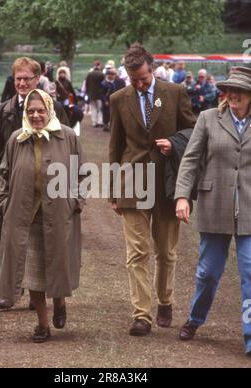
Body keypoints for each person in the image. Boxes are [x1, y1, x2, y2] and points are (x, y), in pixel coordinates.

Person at [109, 43, 196, 336]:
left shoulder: (175, 93)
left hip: (167, 184)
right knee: (136, 253)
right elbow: (115, 147)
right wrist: (113, 191)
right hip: (132, 184)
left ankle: (165, 300)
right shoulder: (119, 98)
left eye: (143, 78)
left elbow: (194, 132)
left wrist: (174, 142)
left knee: (166, 252)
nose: (139, 83)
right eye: (133, 80)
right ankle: (141, 315)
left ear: (153, 68)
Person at [0, 89, 85, 342]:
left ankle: (59, 302)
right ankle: (42, 324)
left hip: (58, 215)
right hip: (24, 218)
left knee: (57, 263)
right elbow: (3, 173)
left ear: (50, 111)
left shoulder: (67, 137)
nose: (36, 115)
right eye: (31, 111)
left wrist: (75, 202)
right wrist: (3, 203)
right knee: (32, 273)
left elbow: (84, 172)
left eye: (41, 110)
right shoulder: (17, 138)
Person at [175, 66, 251, 356]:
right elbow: (190, 160)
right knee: (208, 273)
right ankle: (194, 319)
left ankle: (250, 336)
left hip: (249, 208)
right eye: (229, 89)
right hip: (214, 204)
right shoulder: (208, 118)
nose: (232, 94)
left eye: (240, 90)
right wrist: (182, 196)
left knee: (250, 273)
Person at [0, 57, 70, 310]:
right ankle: (13, 289)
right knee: (11, 240)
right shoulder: (4, 111)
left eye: (27, 78)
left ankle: (39, 290)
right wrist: (1, 197)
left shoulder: (54, 107)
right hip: (15, 191)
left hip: (48, 188)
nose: (22, 83)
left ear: (38, 79)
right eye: (18, 79)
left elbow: (67, 148)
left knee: (42, 242)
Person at [85, 61, 105, 128]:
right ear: (99, 66)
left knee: (93, 108)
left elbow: (86, 84)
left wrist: (87, 92)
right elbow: (104, 85)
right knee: (100, 109)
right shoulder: (102, 74)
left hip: (91, 94)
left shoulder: (89, 74)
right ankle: (100, 121)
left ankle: (94, 122)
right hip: (100, 94)